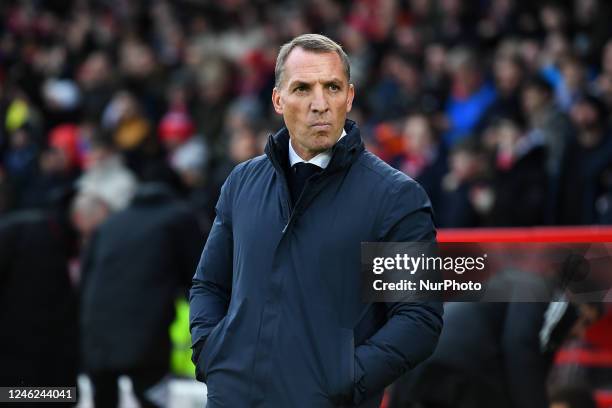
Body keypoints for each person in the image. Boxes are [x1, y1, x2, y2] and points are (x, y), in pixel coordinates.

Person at [189, 33, 443, 408]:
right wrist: (214, 355)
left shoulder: (395, 197)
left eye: (332, 87)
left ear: (350, 97)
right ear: (278, 99)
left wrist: (344, 380)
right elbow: (209, 285)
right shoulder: (242, 183)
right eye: (303, 88)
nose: (320, 104)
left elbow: (418, 318)